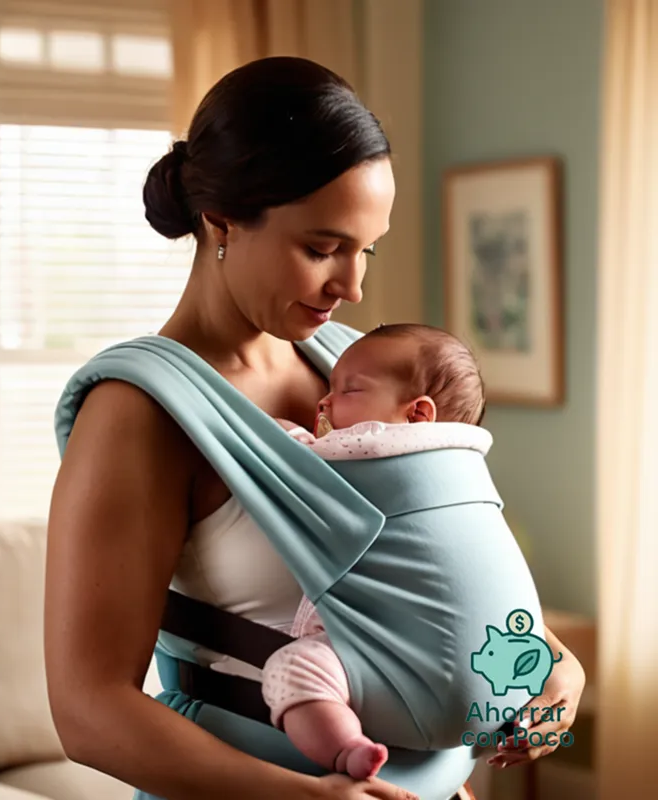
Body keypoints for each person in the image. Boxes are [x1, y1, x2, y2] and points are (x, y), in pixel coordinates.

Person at [44, 56, 586, 800]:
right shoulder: (141, 413)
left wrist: (556, 662)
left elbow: (446, 569)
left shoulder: (355, 366)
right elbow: (89, 712)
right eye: (322, 248)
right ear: (221, 221)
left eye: (367, 249)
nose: (353, 284)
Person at [264, 323, 492, 780]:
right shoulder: (463, 463)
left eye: (349, 389)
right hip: (450, 649)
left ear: (417, 416)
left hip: (375, 639)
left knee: (293, 668)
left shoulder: (375, 446)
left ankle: (345, 747)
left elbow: (296, 460)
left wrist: (273, 431)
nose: (324, 403)